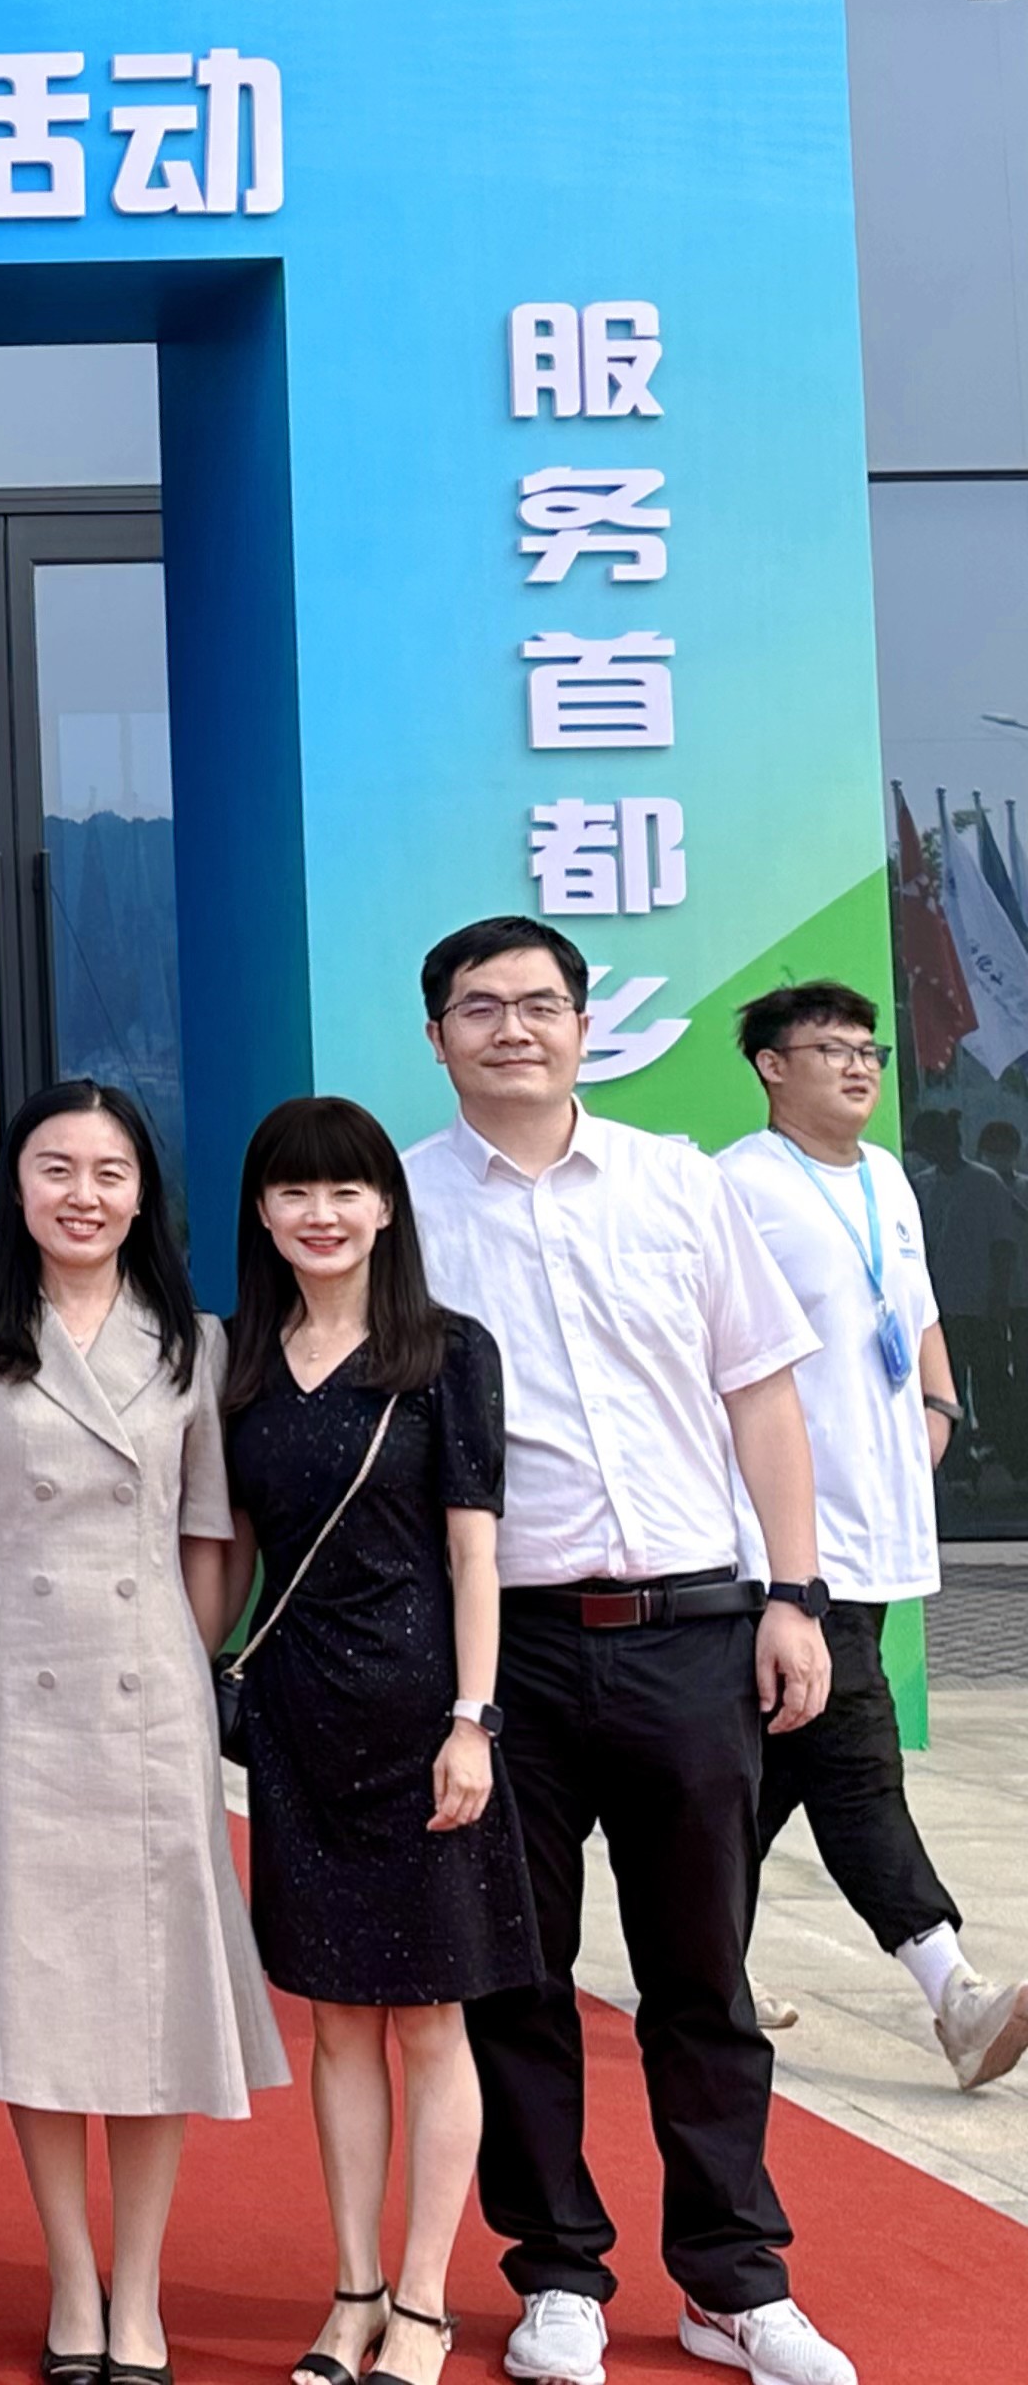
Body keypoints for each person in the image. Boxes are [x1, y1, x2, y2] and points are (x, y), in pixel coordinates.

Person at [400, 916, 853, 2385]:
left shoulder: (679, 1183)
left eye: (540, 1003)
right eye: (481, 1008)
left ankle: (735, 2277)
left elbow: (761, 1398)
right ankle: (557, 2273)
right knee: (517, 1978)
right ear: (437, 1037)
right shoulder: (400, 1207)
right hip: (504, 1654)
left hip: (690, 1633)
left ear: (587, 1027)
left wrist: (796, 1594)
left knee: (703, 1975)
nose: (513, 1028)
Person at [0, 1078, 282, 2385]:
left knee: (155, 1999)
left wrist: (189, 1659)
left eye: (110, 1172)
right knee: (44, 1989)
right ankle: (73, 2278)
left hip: (150, 1693)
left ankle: (143, 2291)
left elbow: (211, 1534)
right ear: (15, 1187)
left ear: (142, 1194)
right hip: (17, 1688)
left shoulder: (195, 1342)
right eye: (56, 1168)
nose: (83, 1193)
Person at [219, 1096, 539, 2385]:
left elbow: (475, 1554)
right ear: (260, 1212)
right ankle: (351, 2290)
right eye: (295, 1190)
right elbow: (229, 1555)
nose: (323, 1212)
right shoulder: (239, 1361)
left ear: (387, 1205)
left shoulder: (448, 1351)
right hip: (298, 1724)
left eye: (347, 1188)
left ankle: (424, 2299)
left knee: (430, 2021)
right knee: (338, 2023)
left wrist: (474, 1720)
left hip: (421, 1725)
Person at [723, 982, 1028, 2088]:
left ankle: (700, 1963)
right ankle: (956, 1994)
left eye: (871, 1049)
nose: (860, 1066)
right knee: (855, 1757)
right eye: (833, 1048)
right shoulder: (738, 1187)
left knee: (766, 1769)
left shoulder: (888, 1177)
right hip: (788, 1543)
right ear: (771, 1065)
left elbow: (919, 1306)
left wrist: (938, 1408)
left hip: (882, 1523)